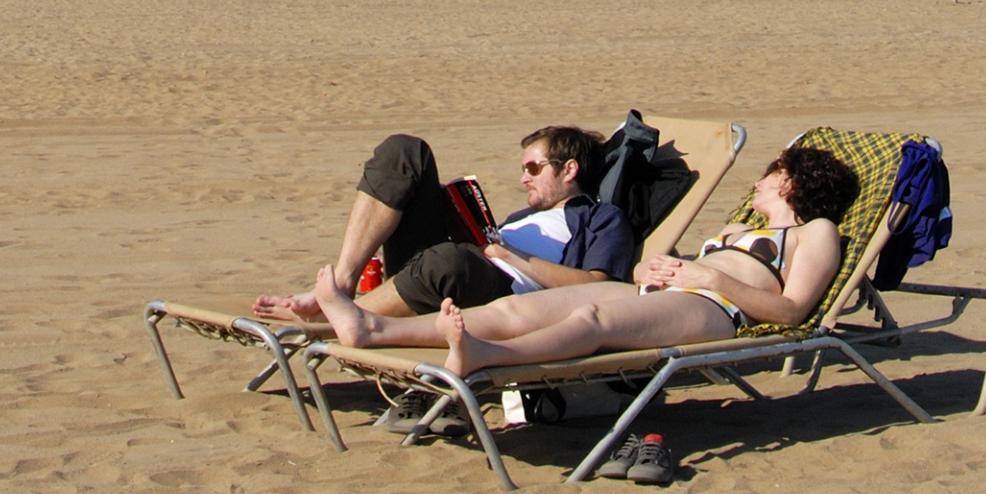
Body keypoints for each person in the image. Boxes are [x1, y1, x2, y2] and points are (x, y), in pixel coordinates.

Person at [313, 145, 859, 373]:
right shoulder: (743, 227)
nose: (759, 183)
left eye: (769, 175)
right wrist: (654, 268)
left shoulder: (817, 232)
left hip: (717, 309)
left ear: (791, 181)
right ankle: (369, 326)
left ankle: (484, 358)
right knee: (518, 313)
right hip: (668, 290)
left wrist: (709, 273)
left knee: (591, 320)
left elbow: (791, 312)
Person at [254, 125, 636, 323]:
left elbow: (598, 287)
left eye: (534, 168)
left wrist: (509, 255)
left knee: (452, 261)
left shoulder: (601, 217)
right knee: (406, 152)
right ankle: (342, 283)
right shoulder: (523, 217)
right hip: (447, 267)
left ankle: (342, 312)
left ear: (570, 169)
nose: (524, 179)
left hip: (497, 288)